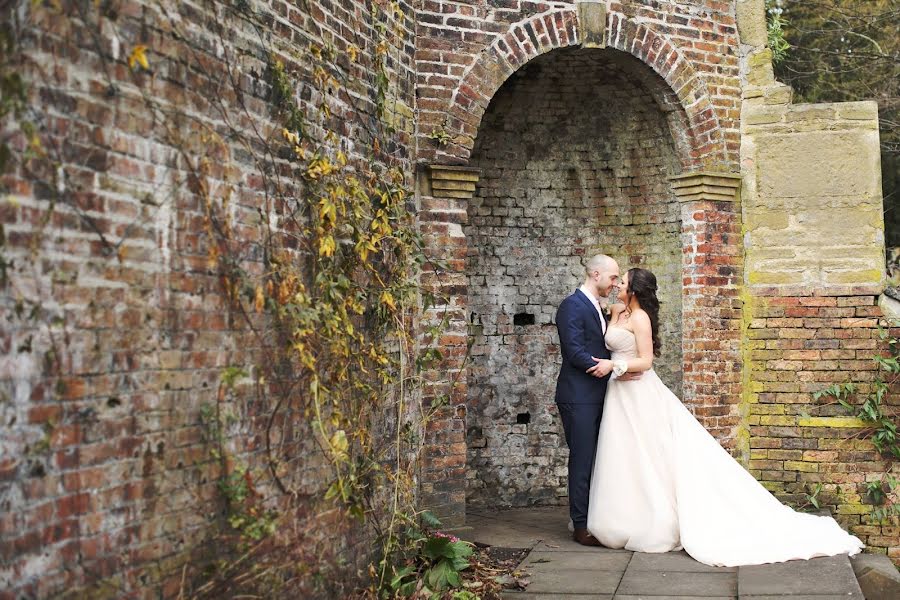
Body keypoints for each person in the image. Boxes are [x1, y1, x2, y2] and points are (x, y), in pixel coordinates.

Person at [586, 267, 864, 566]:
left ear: (635, 290)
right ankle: (623, 517)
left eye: (623, 283)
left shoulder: (640, 319)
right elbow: (611, 338)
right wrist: (613, 326)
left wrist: (616, 367)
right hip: (618, 393)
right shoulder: (618, 311)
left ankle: (655, 520)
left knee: (650, 454)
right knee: (625, 453)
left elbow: (646, 360)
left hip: (637, 392)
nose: (618, 286)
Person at [555, 254, 629, 546]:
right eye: (613, 277)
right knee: (583, 461)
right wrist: (605, 369)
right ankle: (581, 526)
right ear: (595, 274)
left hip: (598, 395)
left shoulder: (599, 307)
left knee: (600, 460)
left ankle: (596, 518)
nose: (615, 283)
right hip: (579, 396)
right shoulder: (571, 306)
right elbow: (573, 351)